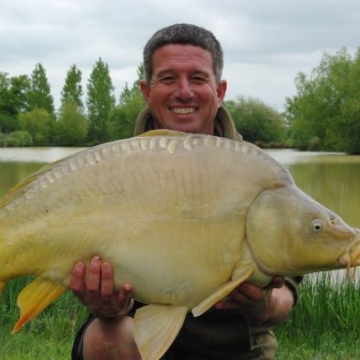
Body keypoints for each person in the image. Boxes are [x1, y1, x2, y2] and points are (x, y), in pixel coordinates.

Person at [70, 23, 300, 360]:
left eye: (197, 78)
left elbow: (285, 300)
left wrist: (262, 302)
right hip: (132, 336)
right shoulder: (110, 171)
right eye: (167, 79)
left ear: (219, 90)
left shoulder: (262, 177)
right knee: (109, 334)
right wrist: (107, 305)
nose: (184, 92)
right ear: (147, 91)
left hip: (233, 348)